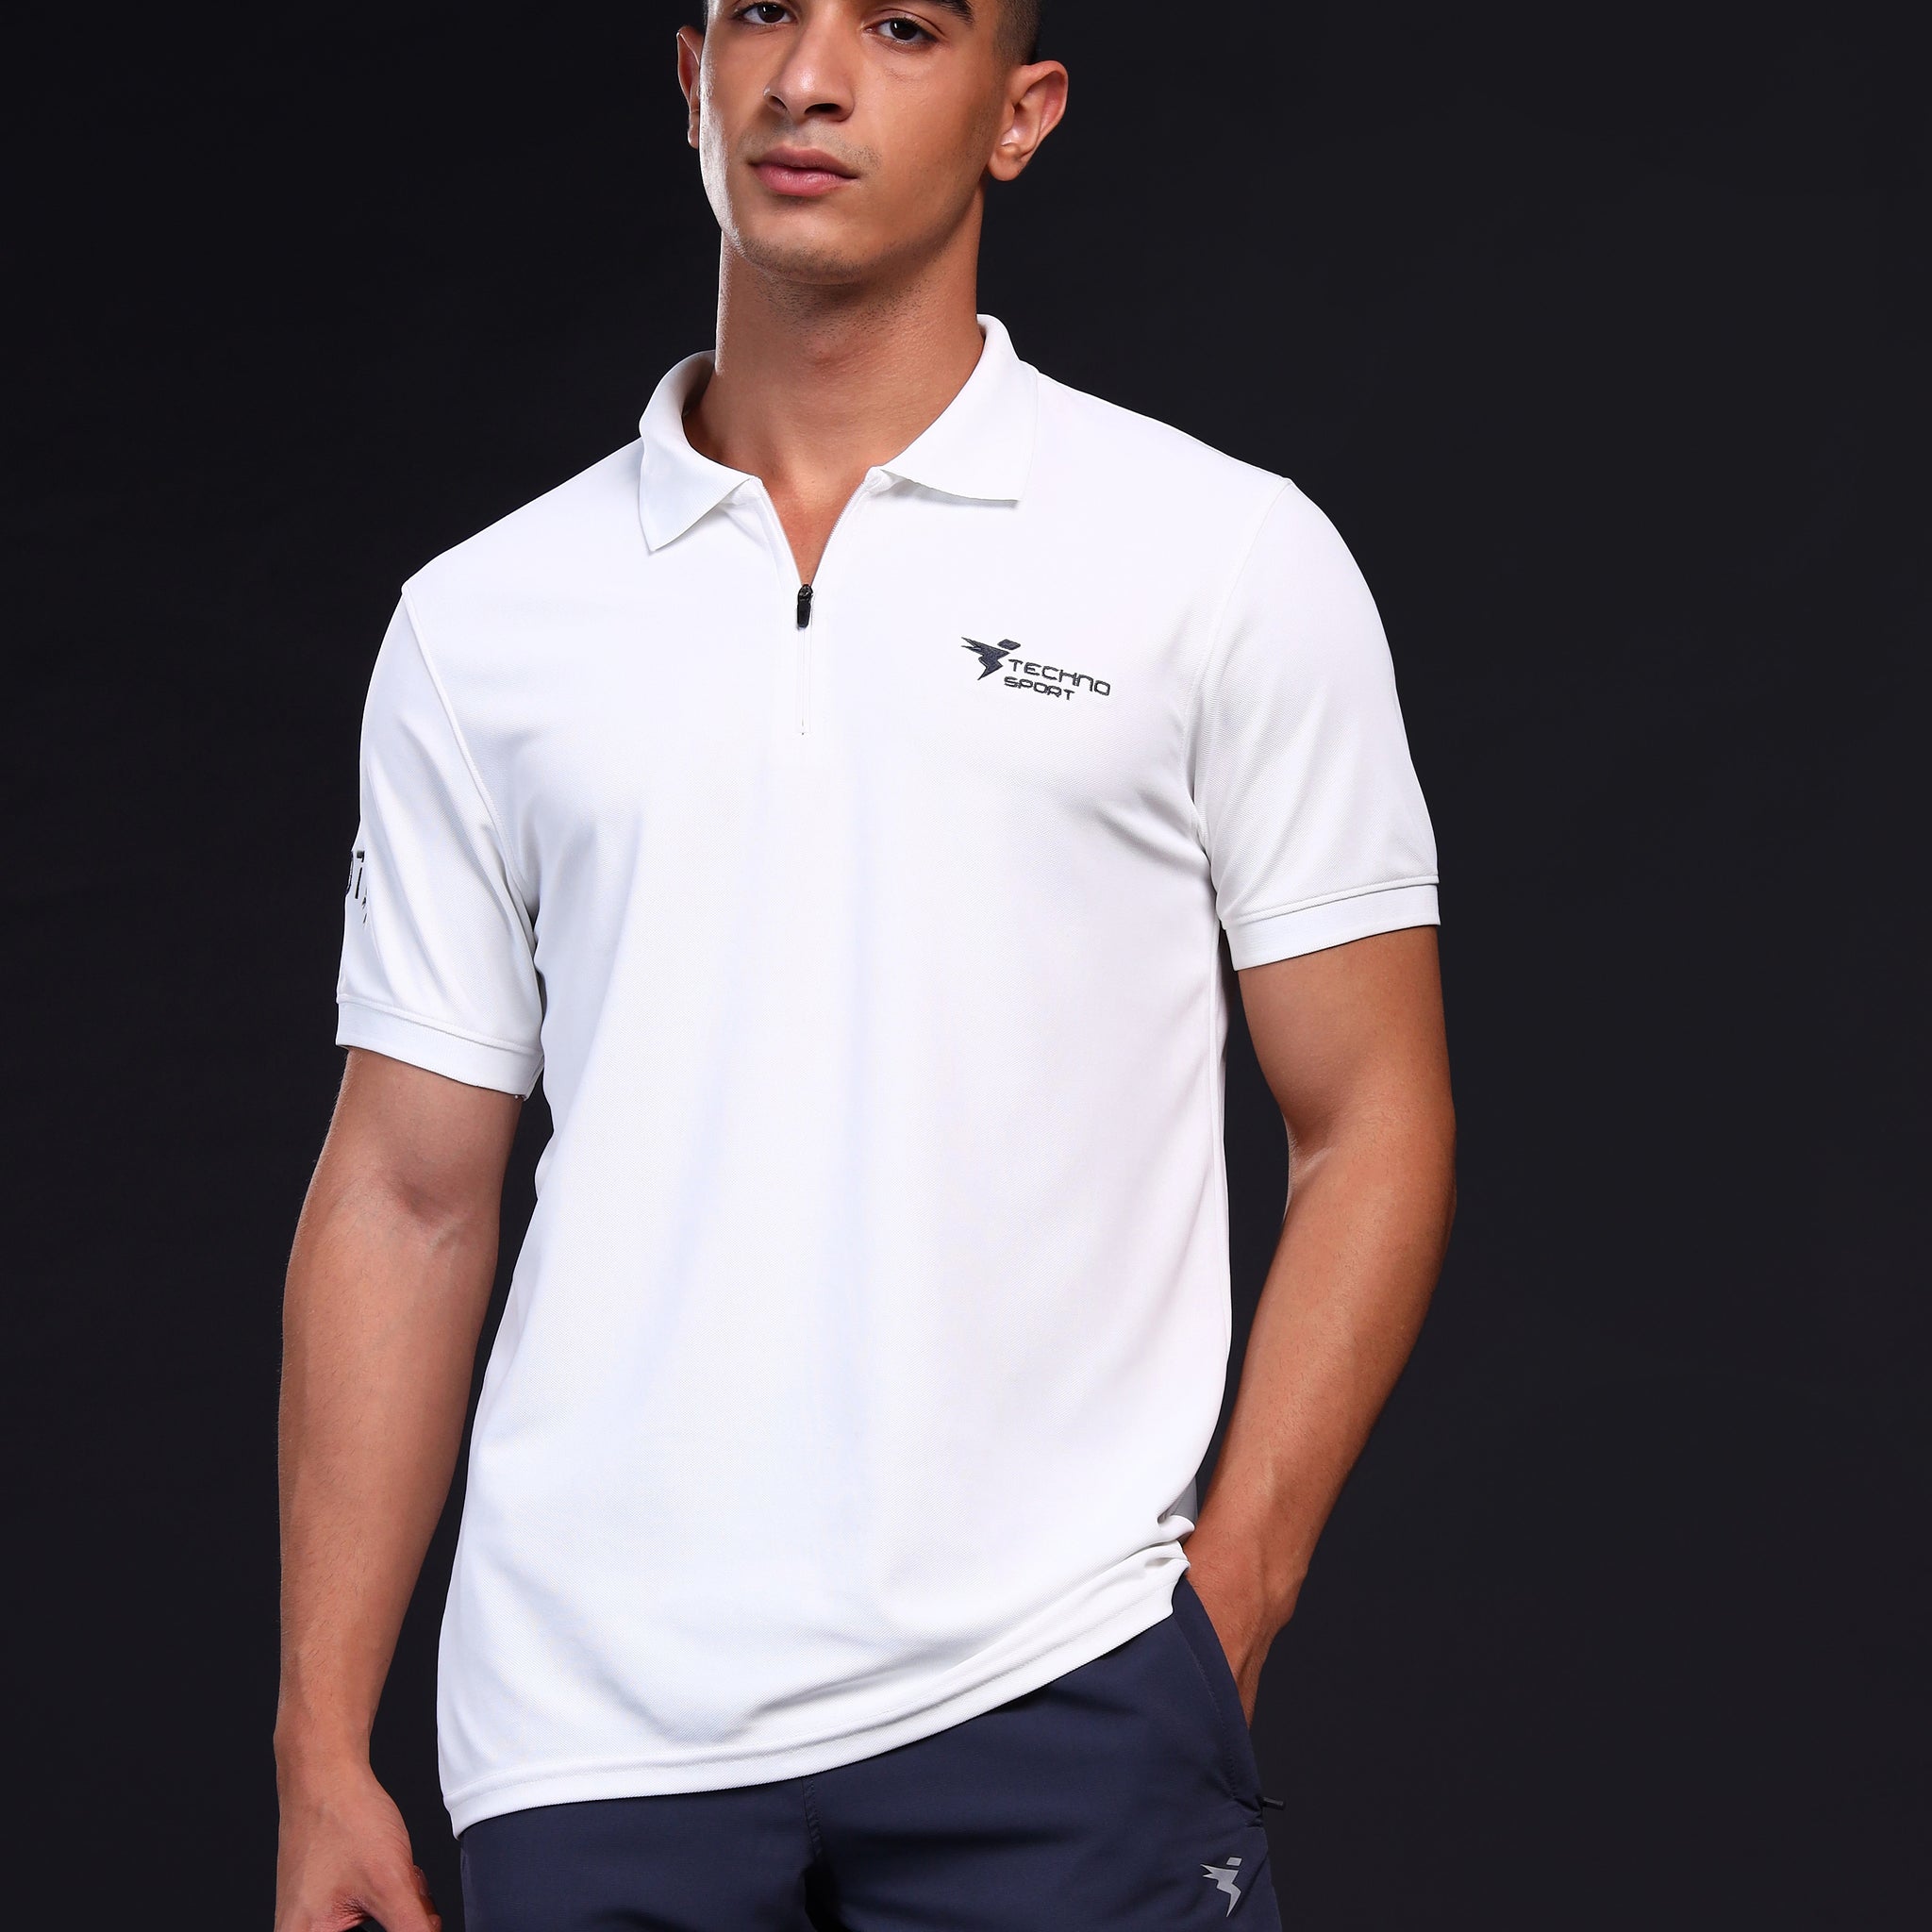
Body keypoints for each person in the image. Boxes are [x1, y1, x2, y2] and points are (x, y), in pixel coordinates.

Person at [273, 2, 1457, 1926]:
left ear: (1020, 112)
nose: (808, 77)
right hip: (589, 1746)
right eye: (763, 12)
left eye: (902, 27)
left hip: (1058, 1693)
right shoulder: (483, 624)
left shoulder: (1221, 558)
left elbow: (1372, 1116)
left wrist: (1232, 1593)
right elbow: (406, 1192)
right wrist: (322, 1741)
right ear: (690, 73)